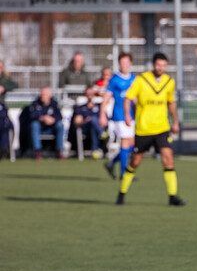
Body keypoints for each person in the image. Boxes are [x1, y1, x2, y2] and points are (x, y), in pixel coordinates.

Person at [117, 52, 185, 206]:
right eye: (158, 65)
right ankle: (122, 193)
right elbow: (128, 98)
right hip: (143, 128)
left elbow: (171, 102)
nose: (160, 68)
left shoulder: (169, 82)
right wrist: (127, 115)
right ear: (153, 65)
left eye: (163, 65)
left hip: (162, 128)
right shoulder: (141, 80)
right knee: (135, 161)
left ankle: (172, 196)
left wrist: (175, 121)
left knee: (168, 159)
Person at [101, 53, 136, 179]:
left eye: (127, 63)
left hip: (131, 115)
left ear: (131, 63)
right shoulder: (114, 80)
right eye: (122, 63)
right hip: (119, 115)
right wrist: (102, 114)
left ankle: (111, 163)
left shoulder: (134, 79)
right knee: (126, 142)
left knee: (133, 144)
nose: (124, 65)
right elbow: (106, 98)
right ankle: (124, 173)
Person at [29, 86, 65, 160]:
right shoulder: (35, 104)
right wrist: (43, 118)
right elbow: (32, 115)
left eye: (45, 94)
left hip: (51, 128)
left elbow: (59, 116)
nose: (42, 96)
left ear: (50, 95)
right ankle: (37, 151)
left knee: (60, 125)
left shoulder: (54, 104)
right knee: (34, 124)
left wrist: (53, 120)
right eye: (42, 94)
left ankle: (59, 151)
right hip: (40, 127)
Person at [71, 85, 104, 159]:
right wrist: (86, 120)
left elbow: (104, 119)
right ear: (85, 95)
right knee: (92, 120)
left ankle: (94, 150)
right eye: (88, 94)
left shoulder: (99, 106)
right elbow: (77, 121)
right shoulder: (80, 108)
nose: (90, 96)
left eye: (91, 94)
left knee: (94, 125)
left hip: (96, 128)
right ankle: (102, 133)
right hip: (84, 128)